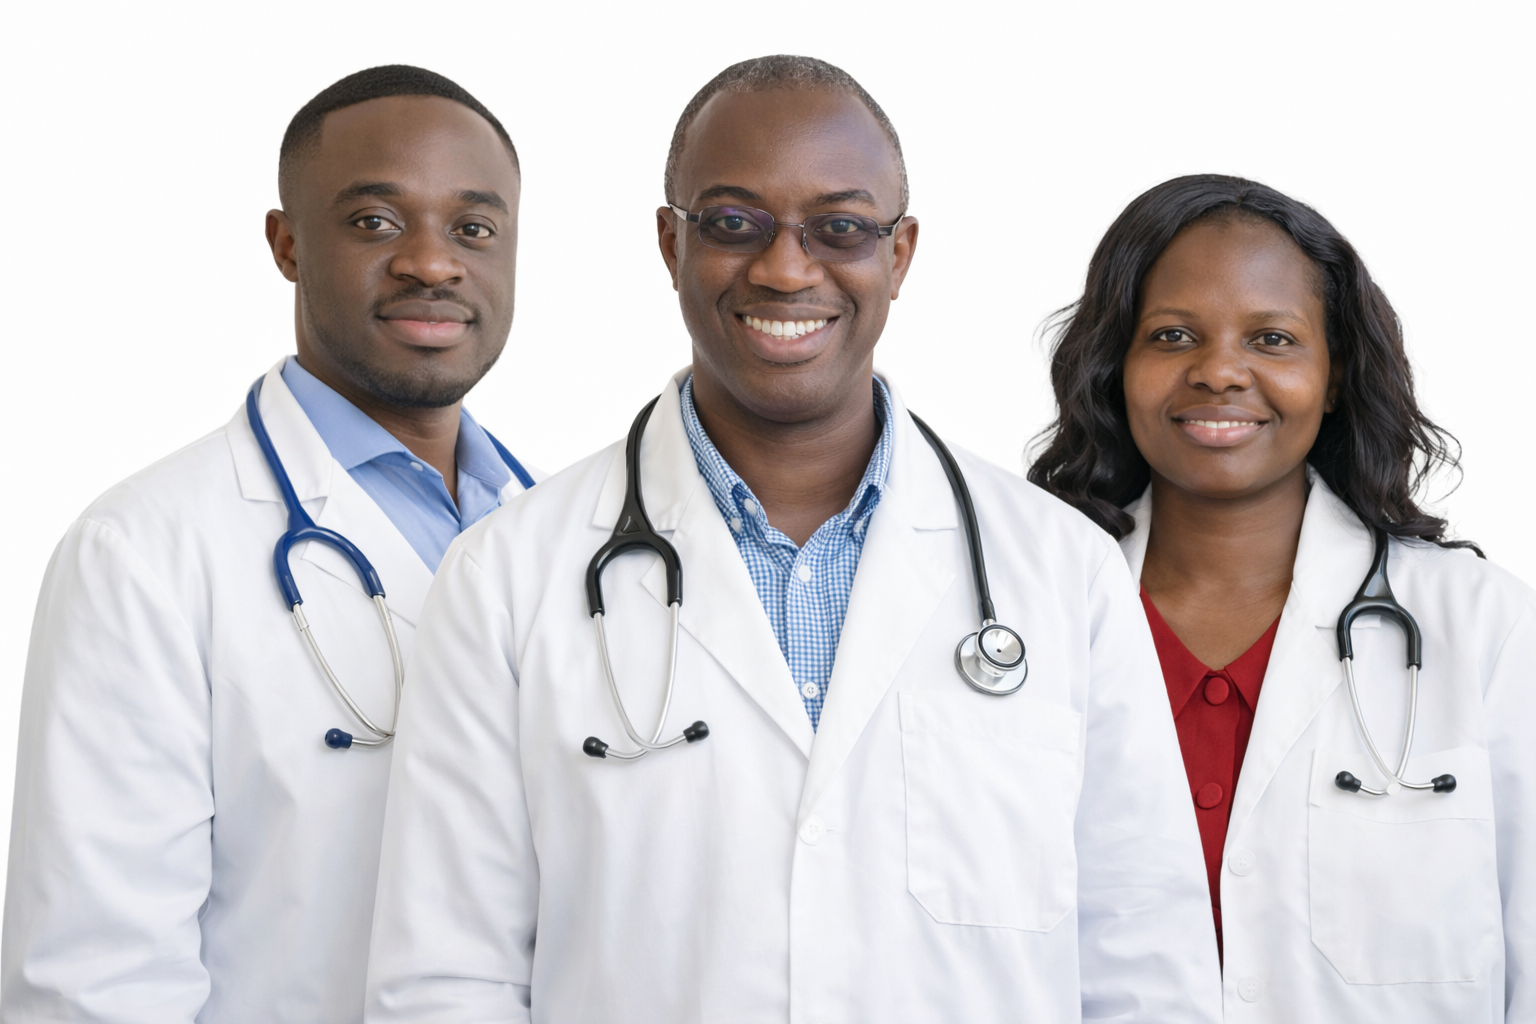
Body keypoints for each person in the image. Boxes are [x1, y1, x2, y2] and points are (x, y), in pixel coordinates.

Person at [363, 55, 1220, 1023]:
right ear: (670, 244)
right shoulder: (508, 576)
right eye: (733, 224)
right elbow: (447, 979)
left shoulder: (1064, 571)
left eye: (840, 228)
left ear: (899, 255)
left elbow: (1148, 966)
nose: (783, 267)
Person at [2, 65, 534, 1023]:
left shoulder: (570, 538)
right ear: (287, 244)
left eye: (474, 229)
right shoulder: (146, 553)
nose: (432, 263)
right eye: (375, 221)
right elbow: (97, 986)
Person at [1030, 173, 1536, 1021]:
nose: (1220, 372)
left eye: (1272, 339)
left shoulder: (1482, 627)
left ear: (1333, 376)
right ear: (1116, 368)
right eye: (1172, 335)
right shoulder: (1025, 618)